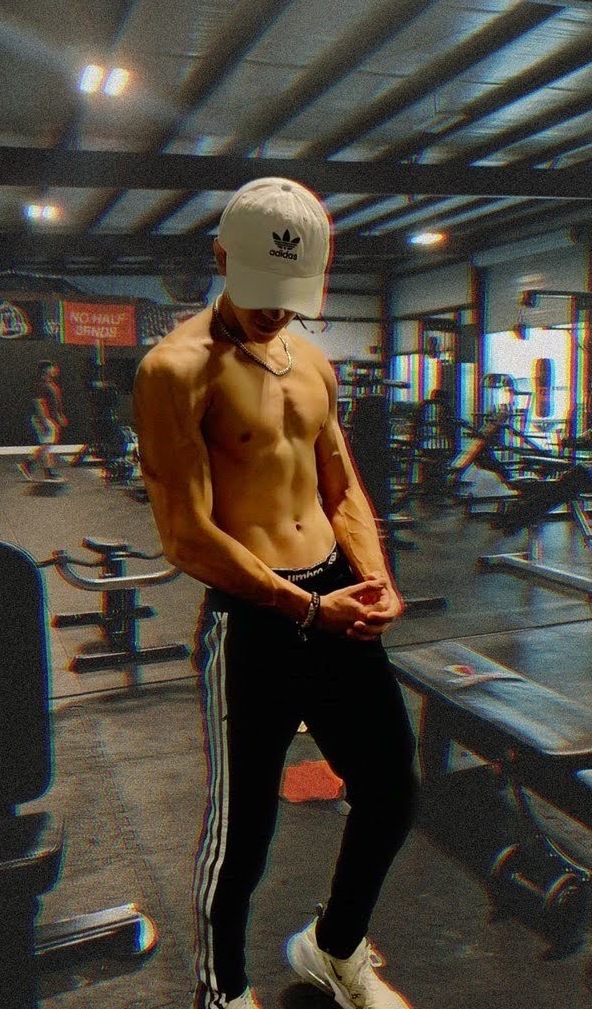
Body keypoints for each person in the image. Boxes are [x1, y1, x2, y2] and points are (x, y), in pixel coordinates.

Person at [133, 177, 417, 1009]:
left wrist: (375, 579)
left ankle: (333, 948)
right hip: (254, 618)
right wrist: (305, 609)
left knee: (392, 790)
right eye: (261, 288)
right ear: (221, 258)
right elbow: (185, 535)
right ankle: (221, 991)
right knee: (244, 832)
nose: (275, 310)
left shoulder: (314, 364)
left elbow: (342, 487)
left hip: (334, 597)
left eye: (291, 293)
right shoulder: (175, 370)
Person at [18, 360, 67, 480]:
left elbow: (54, 402)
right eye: (52, 367)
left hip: (47, 418)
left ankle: (31, 466)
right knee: (46, 444)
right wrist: (44, 421)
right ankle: (40, 469)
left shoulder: (49, 383)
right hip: (42, 418)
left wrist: (59, 415)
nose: (54, 369)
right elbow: (38, 403)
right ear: (45, 370)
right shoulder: (41, 385)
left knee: (46, 445)